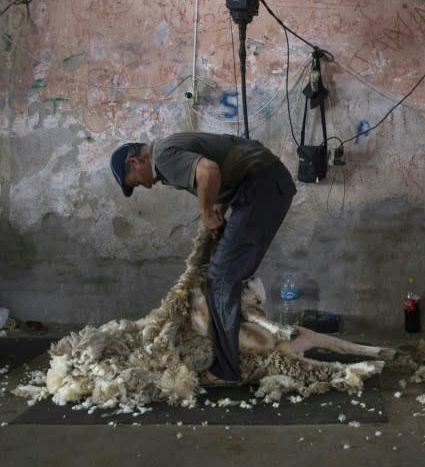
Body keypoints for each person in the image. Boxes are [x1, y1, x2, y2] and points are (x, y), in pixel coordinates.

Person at [110, 132, 297, 384]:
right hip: (264, 185)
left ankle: (227, 370)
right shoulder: (168, 150)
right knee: (226, 270)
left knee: (221, 277)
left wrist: (206, 212)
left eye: (135, 182)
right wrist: (216, 213)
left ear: (134, 162)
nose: (145, 186)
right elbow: (223, 167)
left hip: (260, 187)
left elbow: (208, 170)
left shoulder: (163, 158)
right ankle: (245, 346)